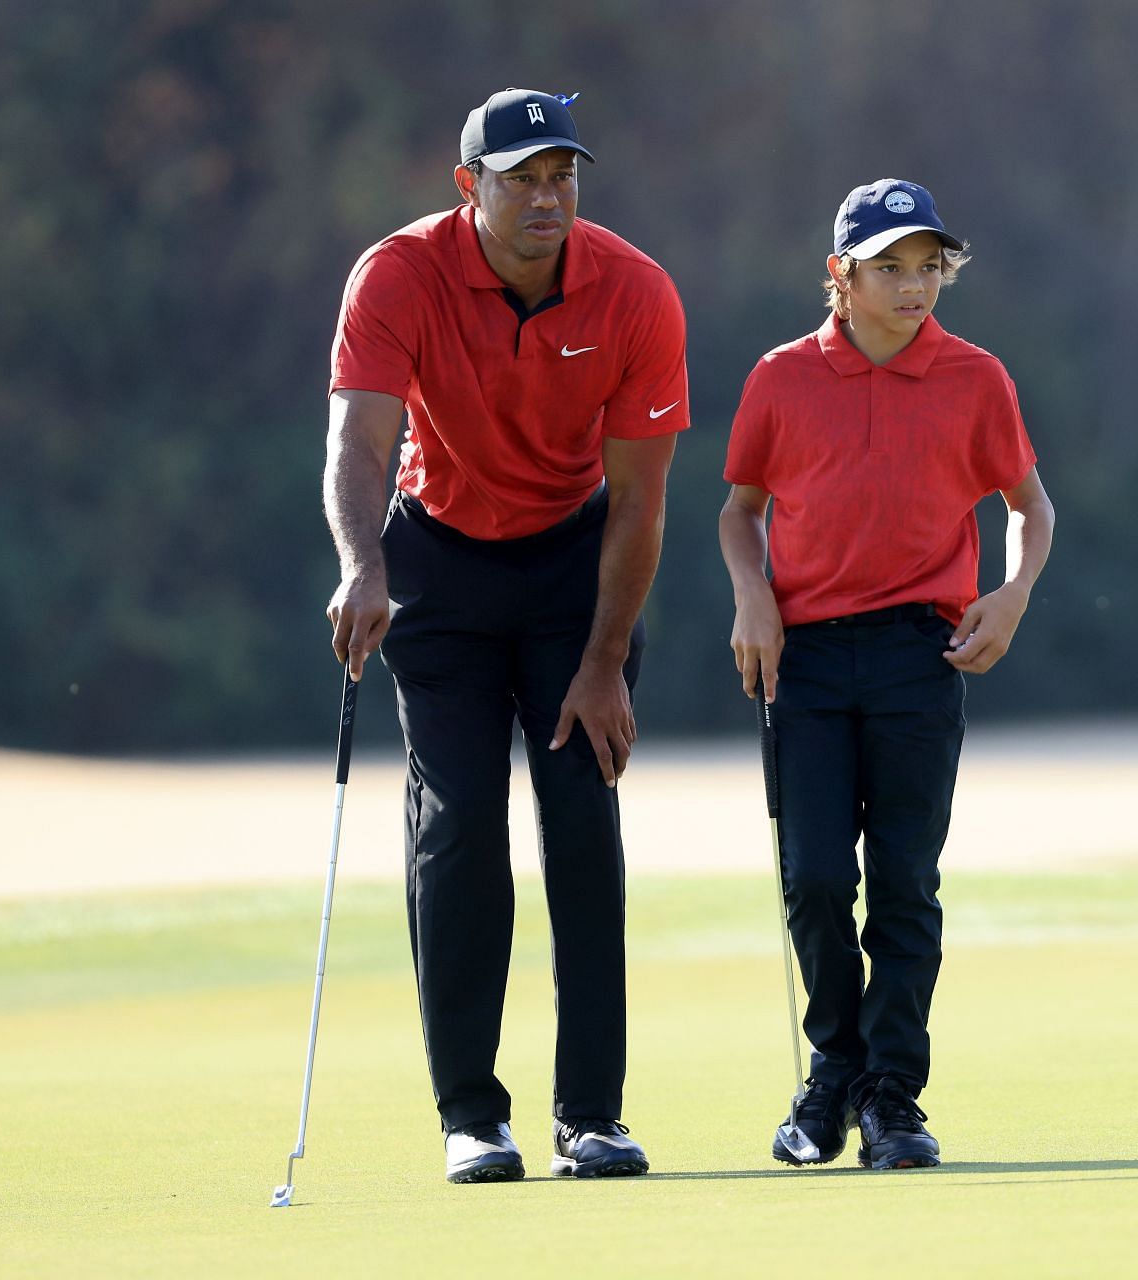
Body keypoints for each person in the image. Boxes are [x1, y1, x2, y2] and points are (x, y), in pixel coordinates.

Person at [323, 88, 689, 1183]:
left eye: (563, 176)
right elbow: (359, 438)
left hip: (580, 569)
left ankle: (594, 1113)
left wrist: (605, 661)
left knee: (582, 820)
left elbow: (640, 504)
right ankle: (472, 1116)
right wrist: (362, 564)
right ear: (467, 185)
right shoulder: (398, 273)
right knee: (460, 827)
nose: (547, 197)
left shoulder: (634, 291)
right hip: (437, 562)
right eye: (522, 178)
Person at [718, 178, 1055, 1170]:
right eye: (892, 269)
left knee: (904, 883)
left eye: (928, 268)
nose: (916, 288)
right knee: (816, 877)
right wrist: (752, 597)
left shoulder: (976, 376)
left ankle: (889, 1097)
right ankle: (834, 1071)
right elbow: (739, 510)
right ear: (841, 275)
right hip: (809, 655)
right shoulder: (781, 378)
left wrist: (1013, 591)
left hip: (922, 649)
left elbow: (1030, 506)